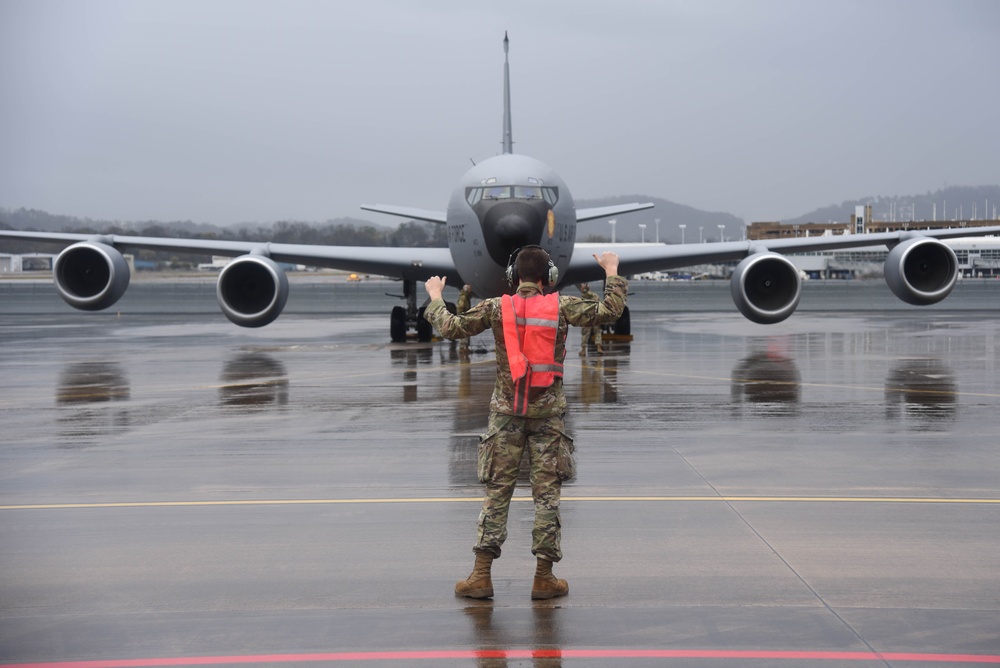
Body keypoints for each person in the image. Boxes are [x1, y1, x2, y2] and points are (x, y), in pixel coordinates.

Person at [423, 246, 627, 600]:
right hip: (548, 417)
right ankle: (544, 578)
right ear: (548, 277)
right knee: (547, 498)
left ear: (512, 277)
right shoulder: (561, 307)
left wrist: (436, 297)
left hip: (506, 415)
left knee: (497, 495)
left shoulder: (496, 307)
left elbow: (451, 327)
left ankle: (481, 576)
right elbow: (609, 311)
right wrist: (611, 271)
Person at [577, 283, 603, 356]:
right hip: (595, 316)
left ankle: (583, 350)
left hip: (587, 317)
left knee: (585, 334)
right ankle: (599, 348)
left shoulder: (583, 298)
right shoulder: (595, 296)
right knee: (597, 332)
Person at [455, 284, 474, 354]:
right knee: (464, 333)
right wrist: (463, 316)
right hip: (463, 319)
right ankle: (463, 348)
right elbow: (460, 307)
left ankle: (465, 347)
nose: (470, 291)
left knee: (466, 333)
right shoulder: (463, 298)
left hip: (465, 318)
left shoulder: (466, 297)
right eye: (469, 290)